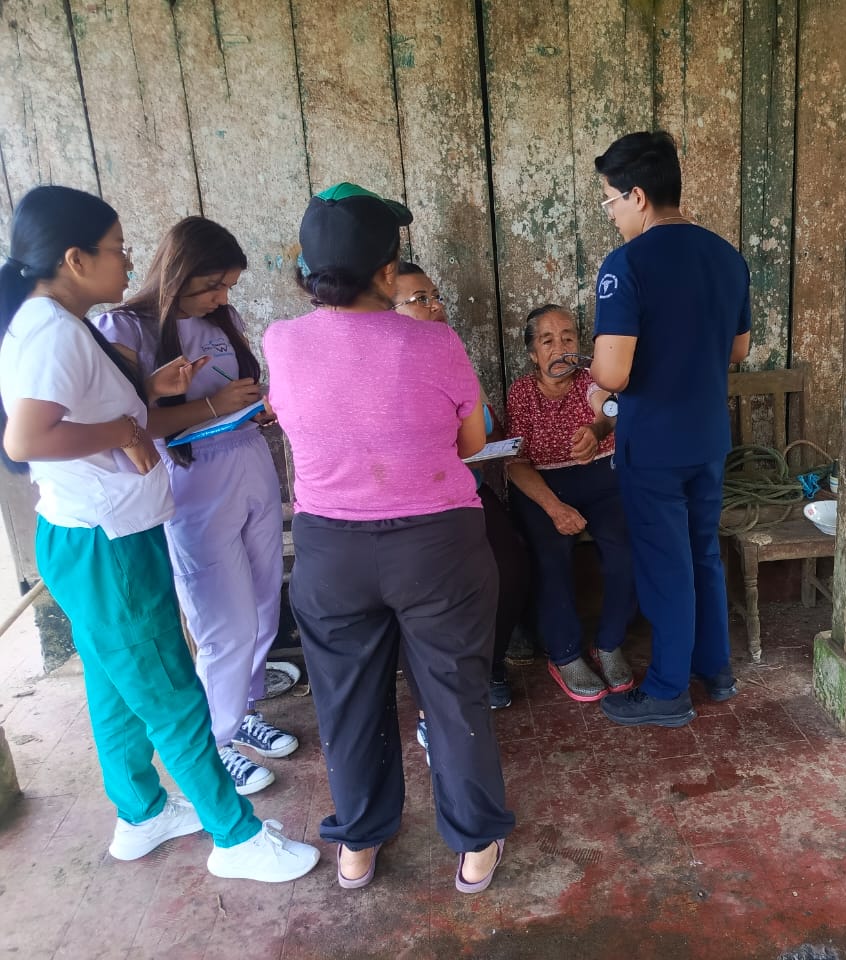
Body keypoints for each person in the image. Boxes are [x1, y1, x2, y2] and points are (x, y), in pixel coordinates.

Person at [0, 185, 318, 881]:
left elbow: (89, 408)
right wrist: (125, 428)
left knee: (115, 687)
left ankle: (141, 814)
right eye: (116, 249)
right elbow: (25, 440)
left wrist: (146, 397)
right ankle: (235, 837)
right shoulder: (56, 329)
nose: (126, 260)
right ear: (75, 258)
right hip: (105, 540)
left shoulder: (56, 322)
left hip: (100, 532)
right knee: (171, 691)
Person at [263, 182, 512, 892]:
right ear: (385, 271)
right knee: (454, 694)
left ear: (309, 270)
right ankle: (475, 842)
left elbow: (292, 419)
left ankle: (359, 842)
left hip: (330, 550)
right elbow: (471, 443)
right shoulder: (435, 342)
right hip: (438, 549)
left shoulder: (281, 341)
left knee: (346, 700)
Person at [93, 217, 296, 796]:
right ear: (177, 274)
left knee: (262, 605)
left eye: (227, 286)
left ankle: (242, 710)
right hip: (191, 482)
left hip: (249, 463)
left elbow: (233, 392)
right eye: (211, 286)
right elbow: (128, 425)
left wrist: (253, 406)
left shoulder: (220, 321)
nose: (221, 298)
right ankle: (216, 742)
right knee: (222, 621)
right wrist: (213, 408)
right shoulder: (124, 327)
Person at [590, 131, 751, 727]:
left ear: (637, 195)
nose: (611, 215)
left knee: (665, 565)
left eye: (610, 201)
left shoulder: (626, 264)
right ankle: (716, 669)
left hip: (653, 443)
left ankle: (666, 691)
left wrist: (596, 387)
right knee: (702, 552)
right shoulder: (727, 257)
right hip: (708, 436)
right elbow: (738, 350)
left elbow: (613, 371)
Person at [392, 261, 531, 760]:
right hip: (412, 509)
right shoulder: (386, 369)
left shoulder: (451, 354)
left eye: (435, 296)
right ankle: (430, 712)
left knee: (510, 566)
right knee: (423, 599)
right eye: (420, 299)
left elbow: (486, 426)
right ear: (386, 312)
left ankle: (488, 665)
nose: (436, 306)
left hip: (465, 490)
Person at [505, 304, 636, 702]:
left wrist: (597, 430)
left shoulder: (591, 378)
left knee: (627, 548)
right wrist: (555, 508)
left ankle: (609, 643)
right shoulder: (522, 393)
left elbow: (609, 409)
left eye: (567, 338)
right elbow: (516, 464)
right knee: (550, 555)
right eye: (547, 341)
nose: (560, 348)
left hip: (602, 480)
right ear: (533, 353)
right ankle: (564, 654)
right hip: (543, 487)